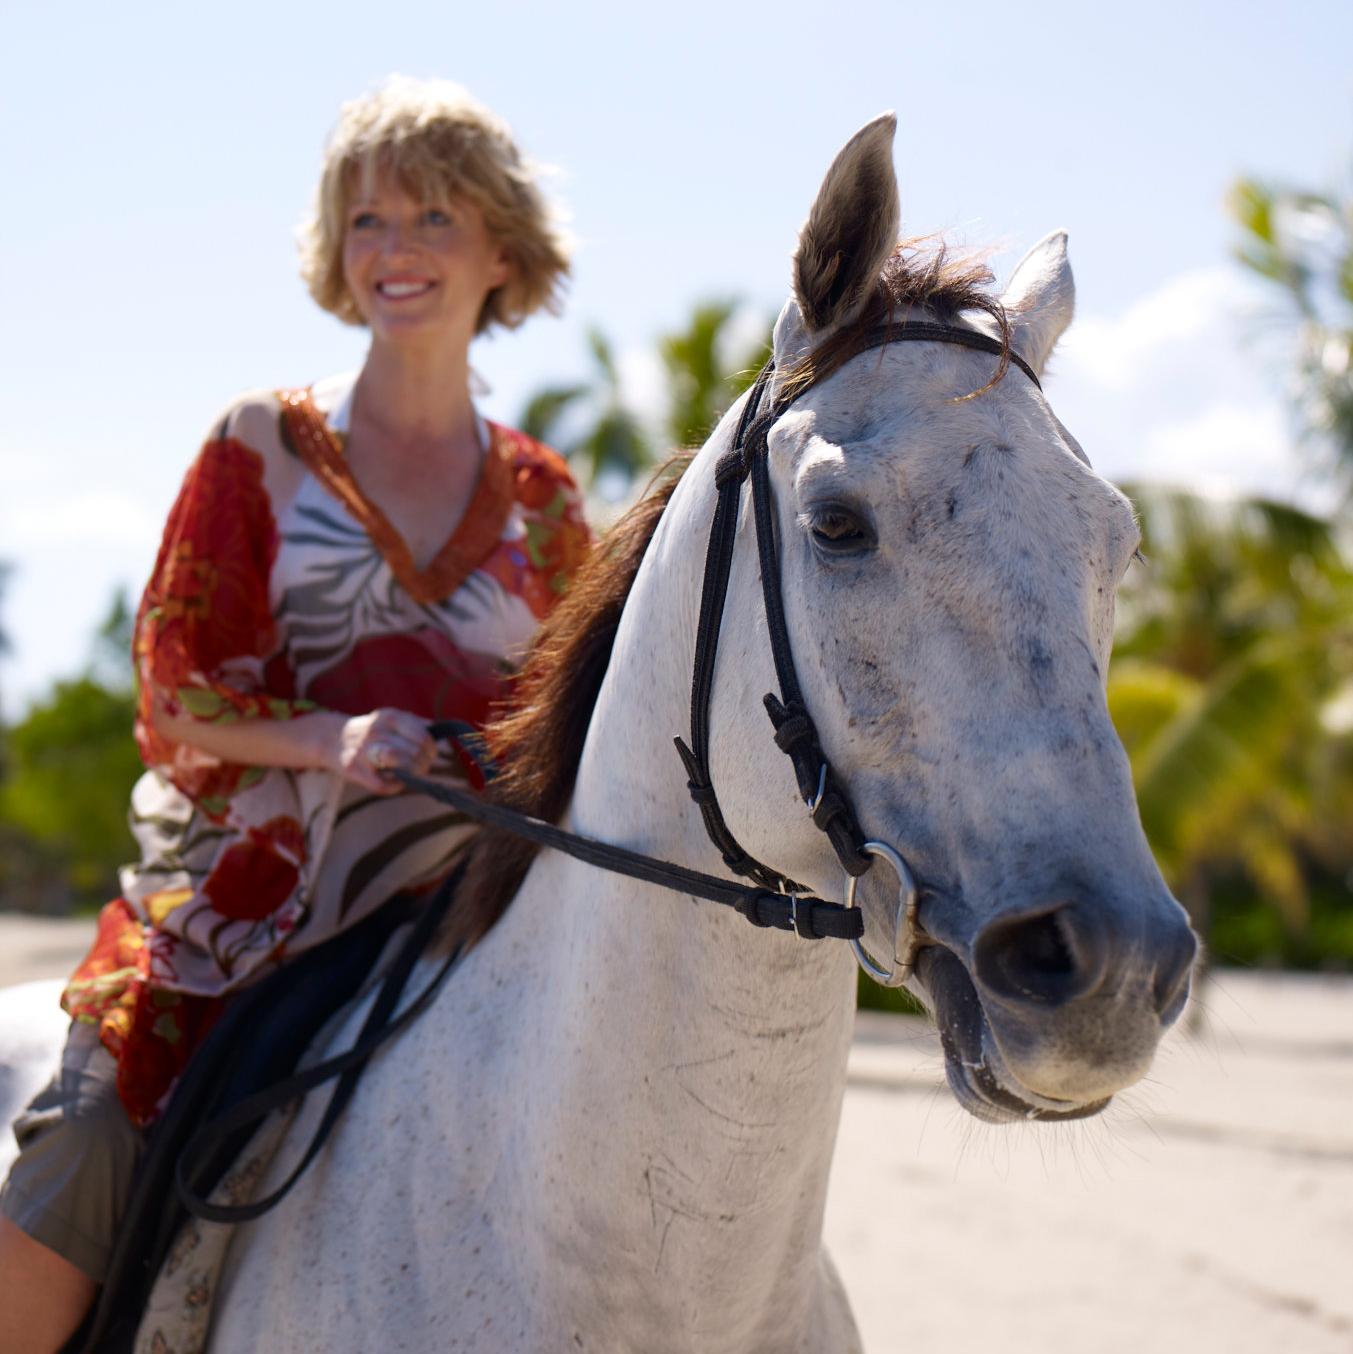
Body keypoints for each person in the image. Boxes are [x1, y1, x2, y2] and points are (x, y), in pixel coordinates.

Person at [0, 76, 589, 1351]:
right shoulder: (260, 443)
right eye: (369, 220)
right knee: (96, 1128)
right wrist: (335, 740)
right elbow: (173, 685)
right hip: (252, 894)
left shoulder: (546, 501)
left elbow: (568, 727)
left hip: (463, 907)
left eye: (434, 216)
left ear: (501, 251)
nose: (396, 250)